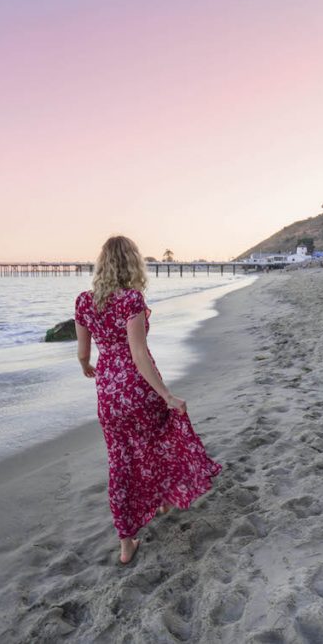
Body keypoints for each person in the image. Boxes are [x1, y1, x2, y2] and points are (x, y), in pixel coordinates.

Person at [74, 235, 222, 564]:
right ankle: (165, 500)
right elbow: (138, 353)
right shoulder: (131, 300)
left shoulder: (84, 302)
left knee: (121, 461)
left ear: (101, 264)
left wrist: (88, 367)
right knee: (157, 441)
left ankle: (126, 544)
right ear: (132, 263)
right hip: (139, 388)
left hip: (109, 394)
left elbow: (83, 353)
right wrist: (166, 394)